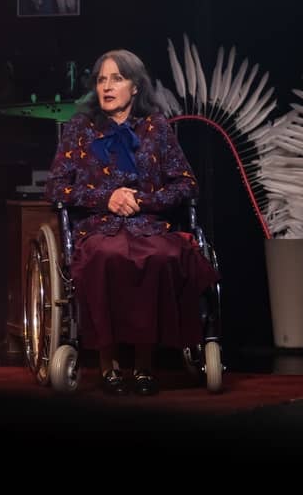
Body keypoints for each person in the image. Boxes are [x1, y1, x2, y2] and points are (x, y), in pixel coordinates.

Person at [44, 49, 218, 395]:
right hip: (99, 227)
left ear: (135, 87)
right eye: (101, 80)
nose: (107, 87)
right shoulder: (81, 129)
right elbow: (55, 187)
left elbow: (187, 184)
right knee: (106, 256)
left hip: (148, 226)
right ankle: (108, 365)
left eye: (117, 79)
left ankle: (144, 365)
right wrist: (106, 198)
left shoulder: (157, 128)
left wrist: (142, 200)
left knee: (162, 257)